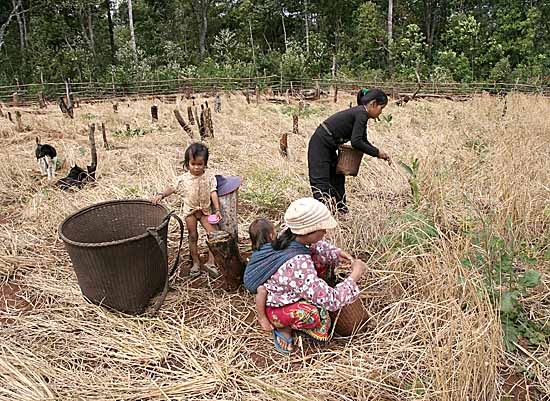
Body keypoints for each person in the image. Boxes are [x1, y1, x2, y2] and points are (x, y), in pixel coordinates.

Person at [243, 198, 367, 354]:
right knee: (318, 317)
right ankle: (282, 326)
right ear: (309, 231)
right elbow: (332, 300)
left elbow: (315, 247)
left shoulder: (288, 235)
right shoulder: (298, 265)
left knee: (321, 265)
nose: (325, 232)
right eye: (322, 229)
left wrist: (336, 254)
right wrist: (355, 275)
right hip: (278, 305)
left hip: (289, 289)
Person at [307, 88, 391, 214]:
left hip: (329, 145)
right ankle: (322, 217)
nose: (380, 112)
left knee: (337, 180)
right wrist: (377, 153)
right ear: (373, 104)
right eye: (381, 108)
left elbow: (362, 140)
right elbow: (356, 142)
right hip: (320, 144)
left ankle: (341, 214)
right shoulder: (361, 114)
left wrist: (379, 152)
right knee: (321, 183)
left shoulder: (361, 114)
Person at [152, 142, 222, 277]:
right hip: (190, 213)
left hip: (205, 212)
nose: (196, 167)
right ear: (187, 163)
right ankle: (195, 262)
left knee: (212, 234)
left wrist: (217, 210)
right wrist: (161, 194)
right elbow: (171, 188)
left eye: (200, 164)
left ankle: (211, 262)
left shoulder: (209, 178)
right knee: (193, 236)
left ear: (205, 164)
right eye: (193, 164)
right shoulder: (183, 180)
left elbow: (213, 193)